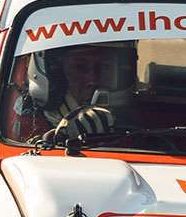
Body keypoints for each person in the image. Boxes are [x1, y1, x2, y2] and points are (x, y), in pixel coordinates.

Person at [8, 40, 136, 141]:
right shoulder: (22, 120)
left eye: (105, 67)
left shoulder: (145, 121)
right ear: (54, 73)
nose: (93, 79)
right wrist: (52, 139)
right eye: (80, 67)